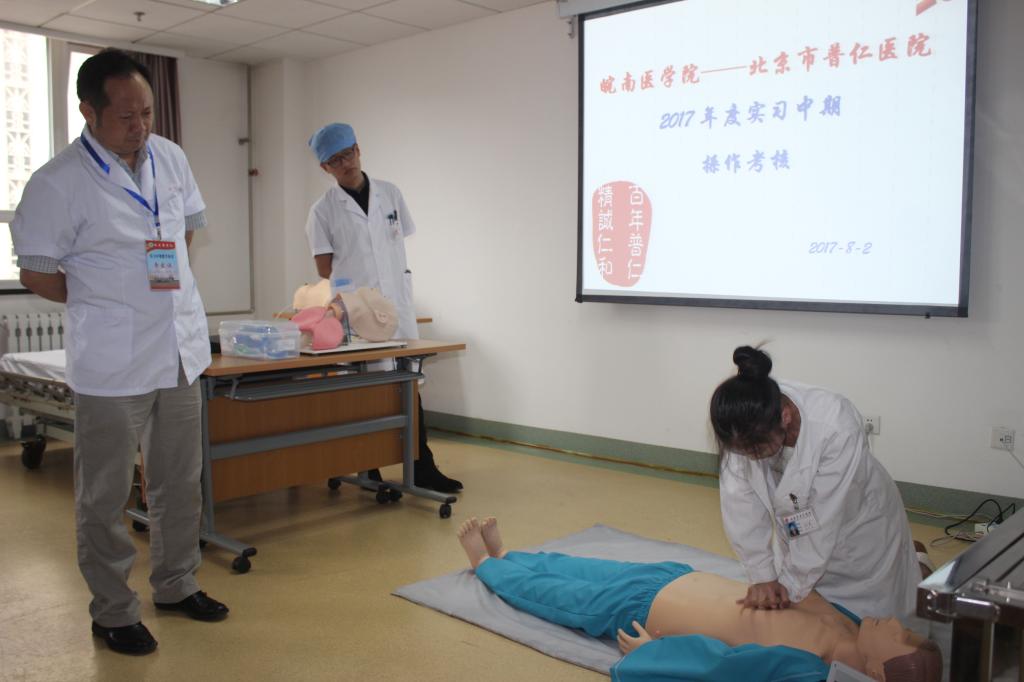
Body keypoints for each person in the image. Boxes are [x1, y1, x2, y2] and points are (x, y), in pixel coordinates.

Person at [10, 49, 228, 655]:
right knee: (104, 495)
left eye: (148, 113)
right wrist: (105, 300)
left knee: (179, 480)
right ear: (89, 111)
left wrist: (153, 291)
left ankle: (177, 585)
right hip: (111, 364)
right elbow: (37, 273)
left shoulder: (171, 157)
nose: (141, 126)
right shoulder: (57, 182)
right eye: (127, 116)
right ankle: (112, 611)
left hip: (178, 351)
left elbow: (183, 233)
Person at [457, 517, 941, 682]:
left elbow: (721, 669)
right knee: (579, 567)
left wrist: (654, 654)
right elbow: (802, 585)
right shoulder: (850, 623)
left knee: (557, 596)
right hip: (675, 578)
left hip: (643, 611)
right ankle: (511, 556)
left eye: (903, 638)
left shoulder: (810, 670)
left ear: (879, 673)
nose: (898, 625)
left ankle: (487, 566)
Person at [304, 122, 462, 493]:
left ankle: (422, 465)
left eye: (348, 154)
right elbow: (324, 268)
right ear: (325, 168)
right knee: (365, 388)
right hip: (357, 311)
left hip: (397, 305)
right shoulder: (322, 211)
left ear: (359, 150)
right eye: (335, 160)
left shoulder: (390, 194)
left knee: (409, 383)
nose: (345, 163)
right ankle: (366, 465)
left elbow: (394, 241)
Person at [709, 345, 919, 619]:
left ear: (785, 417)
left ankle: (921, 561)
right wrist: (762, 576)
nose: (749, 456)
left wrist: (788, 587)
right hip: (798, 526)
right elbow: (740, 504)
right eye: (742, 451)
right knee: (812, 609)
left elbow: (823, 519)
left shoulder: (835, 425)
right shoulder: (740, 423)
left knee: (880, 618)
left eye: (756, 449)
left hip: (857, 525)